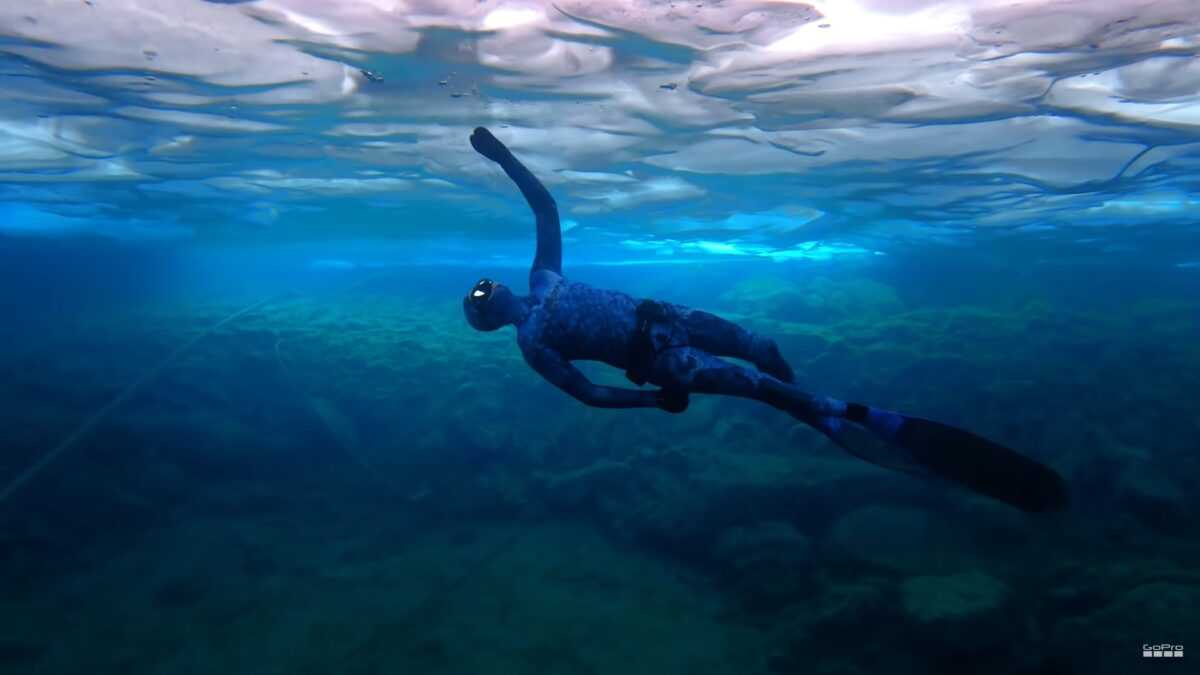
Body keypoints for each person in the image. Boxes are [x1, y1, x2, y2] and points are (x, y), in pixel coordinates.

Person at [462, 127, 1067, 513]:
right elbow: (589, 392)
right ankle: (825, 412)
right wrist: (652, 400)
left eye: (485, 282)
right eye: (482, 294)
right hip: (664, 358)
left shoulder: (543, 279)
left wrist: (504, 157)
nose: (491, 286)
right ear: (489, 317)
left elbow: (545, 207)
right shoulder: (533, 343)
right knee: (759, 384)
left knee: (762, 346)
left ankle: (814, 408)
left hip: (667, 317)